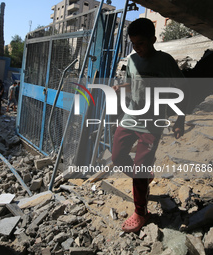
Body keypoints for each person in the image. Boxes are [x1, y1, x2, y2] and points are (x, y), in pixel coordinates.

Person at [111, 18, 187, 233]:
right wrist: (122, 88)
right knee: (117, 157)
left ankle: (141, 212)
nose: (138, 48)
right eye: (134, 44)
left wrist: (180, 120)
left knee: (140, 169)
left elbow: (183, 90)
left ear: (153, 39)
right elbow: (134, 82)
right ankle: (144, 177)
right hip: (131, 117)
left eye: (141, 43)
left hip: (152, 124)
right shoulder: (132, 59)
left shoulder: (165, 62)